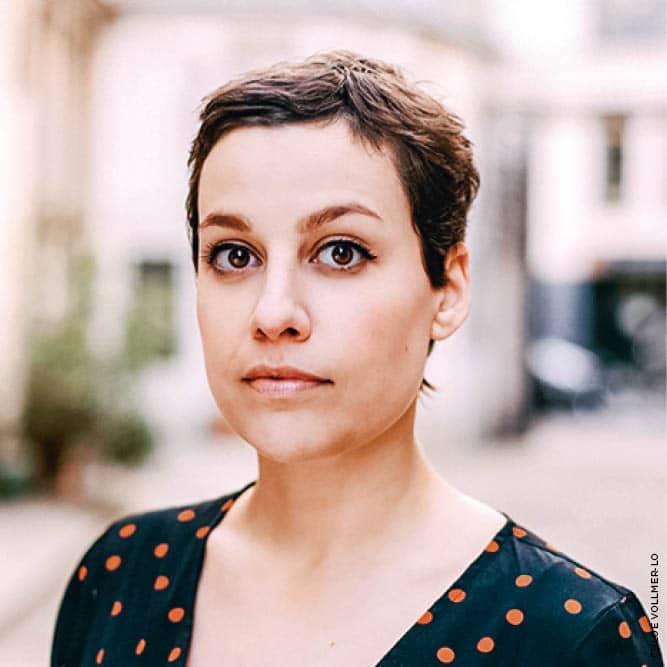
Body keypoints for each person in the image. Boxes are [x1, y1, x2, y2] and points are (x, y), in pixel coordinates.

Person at [51, 50, 662, 667]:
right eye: (235, 255)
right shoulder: (119, 578)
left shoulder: (569, 637)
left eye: (340, 252)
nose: (274, 312)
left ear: (448, 290)